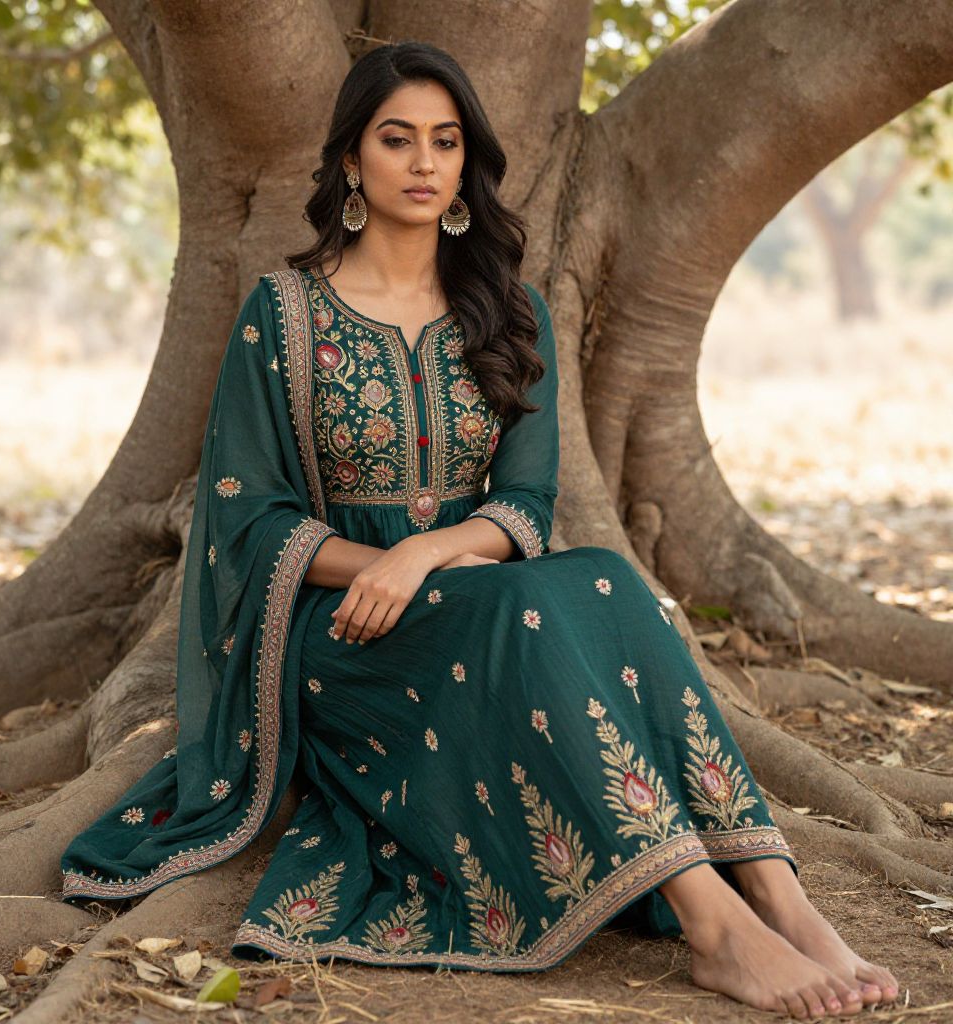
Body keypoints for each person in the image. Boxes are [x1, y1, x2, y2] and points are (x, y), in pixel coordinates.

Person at [60, 41, 899, 1018]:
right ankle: (712, 924)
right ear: (349, 163)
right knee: (536, 609)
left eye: (445, 142)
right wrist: (380, 569)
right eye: (397, 139)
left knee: (602, 580)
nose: (423, 161)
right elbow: (248, 520)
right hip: (347, 637)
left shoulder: (510, 312)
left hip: (488, 613)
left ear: (466, 167)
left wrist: (421, 552)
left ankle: (778, 895)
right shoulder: (283, 316)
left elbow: (523, 506)